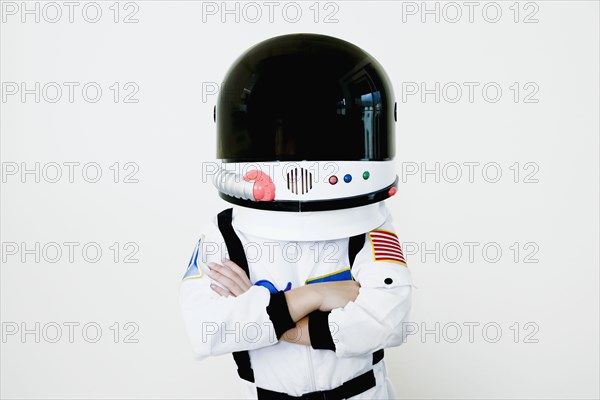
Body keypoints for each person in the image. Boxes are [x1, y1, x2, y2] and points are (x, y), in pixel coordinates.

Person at [180, 33, 413, 399]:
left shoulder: (368, 221)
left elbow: (387, 323)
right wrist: (317, 295)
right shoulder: (226, 231)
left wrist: (263, 312)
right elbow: (207, 329)